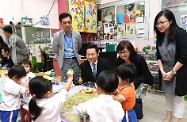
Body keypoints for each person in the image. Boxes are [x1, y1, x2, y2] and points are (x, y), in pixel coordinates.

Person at [154, 10, 187, 122]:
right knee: (168, 95)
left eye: (162, 22)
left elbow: (184, 56)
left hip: (179, 69)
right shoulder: (160, 36)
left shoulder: (180, 33)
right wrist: (162, 71)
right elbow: (158, 56)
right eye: (157, 23)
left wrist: (173, 72)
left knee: (178, 97)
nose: (159, 26)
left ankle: (176, 119)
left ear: (171, 21)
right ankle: (168, 117)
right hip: (165, 69)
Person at [116, 40, 153, 120]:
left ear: (130, 50)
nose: (122, 55)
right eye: (120, 52)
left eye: (124, 52)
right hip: (127, 81)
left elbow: (145, 74)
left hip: (142, 80)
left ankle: (138, 116)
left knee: (136, 97)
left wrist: (133, 84)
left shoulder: (138, 59)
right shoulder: (119, 60)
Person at [52, 13, 82, 84]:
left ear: (71, 22)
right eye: (64, 23)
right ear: (61, 24)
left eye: (69, 22)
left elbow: (79, 46)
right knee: (65, 82)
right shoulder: (57, 35)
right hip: (64, 61)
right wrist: (62, 54)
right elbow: (55, 49)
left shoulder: (77, 34)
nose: (67, 24)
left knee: (75, 80)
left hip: (75, 60)